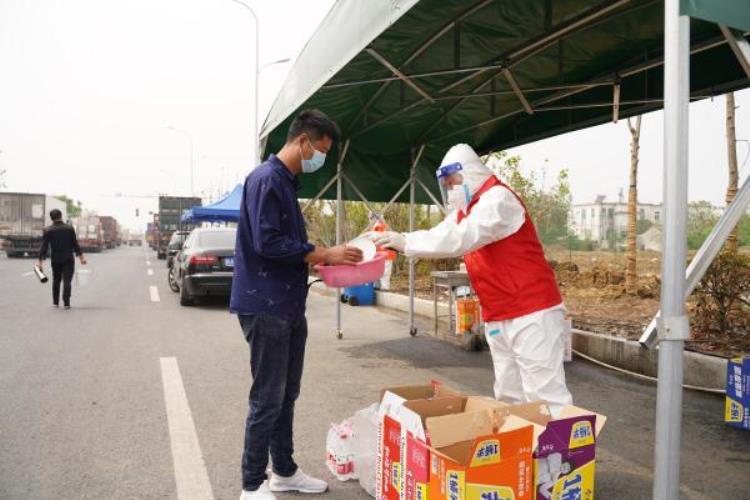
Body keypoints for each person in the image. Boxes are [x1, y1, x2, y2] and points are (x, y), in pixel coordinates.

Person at [370, 144, 572, 412]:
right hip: (499, 313)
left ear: (472, 174)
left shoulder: (498, 199)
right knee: (508, 396)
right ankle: (523, 452)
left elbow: (460, 239)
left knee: (544, 397)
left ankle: (560, 455)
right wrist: (399, 240)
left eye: (454, 182)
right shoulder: (467, 211)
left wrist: (405, 242)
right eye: (447, 184)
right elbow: (437, 234)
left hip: (532, 311)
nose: (451, 190)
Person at [230, 109, 363, 500]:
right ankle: (251, 484)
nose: (318, 158)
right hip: (266, 303)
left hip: (286, 303)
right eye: (319, 150)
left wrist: (323, 260)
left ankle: (284, 471)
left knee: (287, 393)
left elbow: (287, 249)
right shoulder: (266, 180)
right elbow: (267, 244)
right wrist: (324, 253)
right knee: (267, 396)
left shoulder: (287, 183)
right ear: (303, 141)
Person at [38, 208, 86, 309]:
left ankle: (55, 302)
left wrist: (40, 262)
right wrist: (81, 257)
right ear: (61, 216)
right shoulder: (69, 228)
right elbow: (75, 244)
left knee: (56, 279)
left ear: (51, 218)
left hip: (55, 258)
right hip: (68, 257)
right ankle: (67, 304)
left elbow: (44, 246)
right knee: (67, 280)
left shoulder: (48, 230)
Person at [369, 212, 396, 290]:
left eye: (371, 218)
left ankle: (384, 287)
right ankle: (378, 286)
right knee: (378, 271)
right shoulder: (378, 226)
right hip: (380, 254)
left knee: (385, 272)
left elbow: (375, 237)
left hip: (385, 253)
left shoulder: (379, 226)